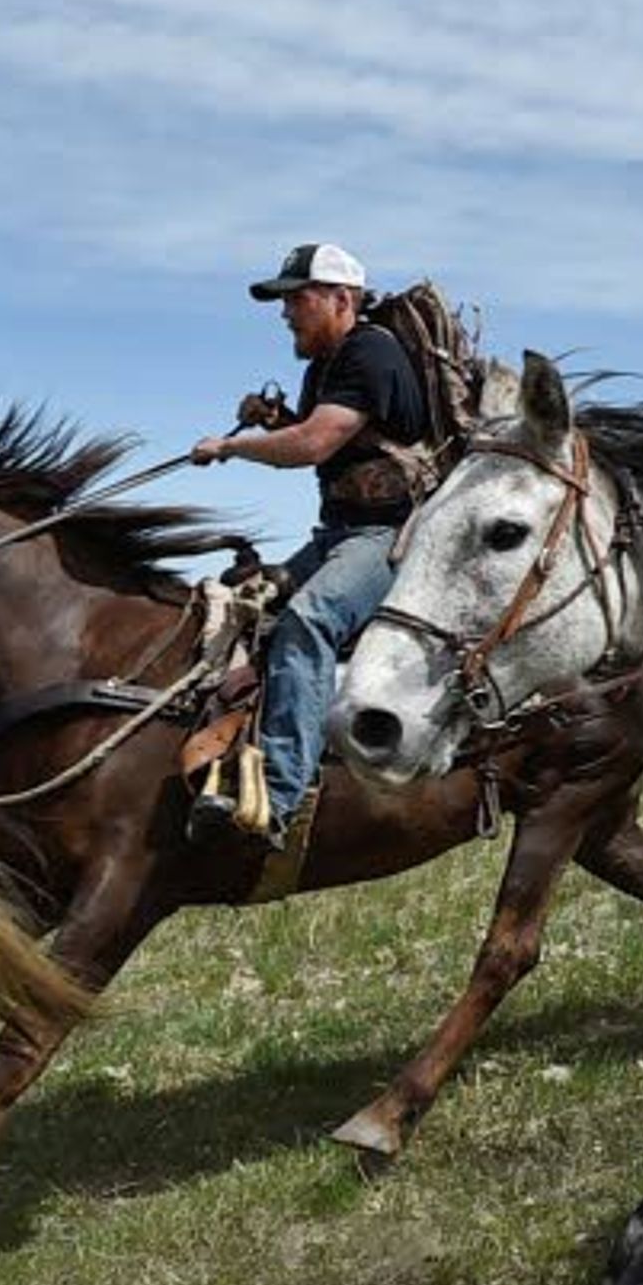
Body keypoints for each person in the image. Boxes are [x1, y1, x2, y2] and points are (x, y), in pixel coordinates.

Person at [190, 241, 431, 848]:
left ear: (341, 300)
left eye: (297, 298)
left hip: (391, 536)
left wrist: (232, 445)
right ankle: (234, 760)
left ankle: (278, 799)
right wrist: (272, 421)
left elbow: (314, 444)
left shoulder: (371, 350)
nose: (285, 312)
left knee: (307, 621)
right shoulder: (323, 366)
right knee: (249, 606)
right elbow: (312, 435)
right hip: (337, 535)